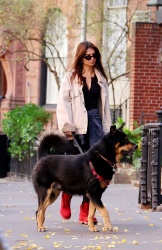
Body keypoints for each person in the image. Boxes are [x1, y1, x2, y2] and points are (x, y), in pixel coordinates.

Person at [56, 41, 111, 224]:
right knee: (74, 166)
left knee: (94, 171)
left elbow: (105, 108)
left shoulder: (101, 78)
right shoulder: (70, 77)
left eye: (95, 55)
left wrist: (107, 131)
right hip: (77, 125)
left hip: (95, 125)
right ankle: (66, 197)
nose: (92, 59)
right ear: (81, 57)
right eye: (88, 56)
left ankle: (86, 211)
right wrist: (67, 126)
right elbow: (63, 103)